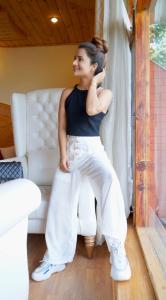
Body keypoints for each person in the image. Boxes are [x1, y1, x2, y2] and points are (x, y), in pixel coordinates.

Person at [31, 36, 131, 282]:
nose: (74, 62)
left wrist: (96, 83)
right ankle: (54, 258)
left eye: (80, 59)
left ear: (94, 67)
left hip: (94, 151)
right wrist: (63, 156)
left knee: (109, 181)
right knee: (59, 203)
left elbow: (90, 110)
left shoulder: (105, 93)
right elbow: (62, 128)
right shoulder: (66, 93)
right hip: (72, 152)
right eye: (75, 58)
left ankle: (117, 249)